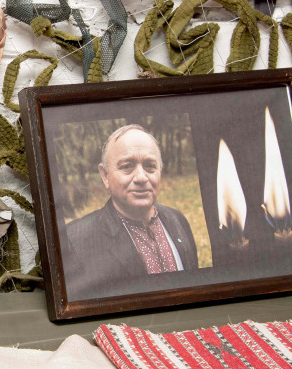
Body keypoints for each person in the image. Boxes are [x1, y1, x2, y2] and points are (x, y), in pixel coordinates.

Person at [64, 124, 198, 298]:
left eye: (150, 166)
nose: (141, 177)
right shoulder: (74, 241)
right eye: (127, 166)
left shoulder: (178, 220)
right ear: (105, 175)